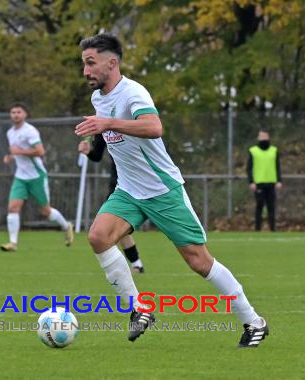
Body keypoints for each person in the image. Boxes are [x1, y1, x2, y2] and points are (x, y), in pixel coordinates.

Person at [76, 33, 268, 347]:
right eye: (84, 64)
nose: (85, 71)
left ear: (112, 63)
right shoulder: (99, 99)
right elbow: (109, 133)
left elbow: (154, 127)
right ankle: (139, 309)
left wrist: (108, 123)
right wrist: (99, 133)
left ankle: (253, 321)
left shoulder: (133, 93)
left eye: (91, 63)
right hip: (129, 191)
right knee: (98, 237)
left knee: (199, 262)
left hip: (162, 190)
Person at [0, 103, 74, 252]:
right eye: (13, 112)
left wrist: (19, 152)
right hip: (20, 177)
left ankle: (67, 226)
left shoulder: (30, 131)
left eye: (18, 112)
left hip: (36, 176)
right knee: (13, 208)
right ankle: (12, 243)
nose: (15, 115)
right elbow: (16, 152)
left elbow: (40, 152)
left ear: (25, 114)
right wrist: (10, 157)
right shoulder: (10, 133)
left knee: (46, 211)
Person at [78, 135, 145, 273]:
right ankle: (136, 265)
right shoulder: (102, 127)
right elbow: (97, 155)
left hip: (149, 181)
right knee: (114, 228)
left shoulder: (136, 119)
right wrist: (88, 151)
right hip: (120, 184)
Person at [247, 130, 282, 231]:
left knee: (271, 207)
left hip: (271, 183)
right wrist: (251, 181)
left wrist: (279, 180)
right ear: (258, 138)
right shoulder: (253, 151)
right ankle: (257, 229)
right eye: (261, 136)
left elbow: (277, 166)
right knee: (259, 207)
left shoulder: (274, 150)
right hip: (259, 183)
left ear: (268, 137)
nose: (263, 138)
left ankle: (273, 229)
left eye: (265, 136)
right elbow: (249, 168)